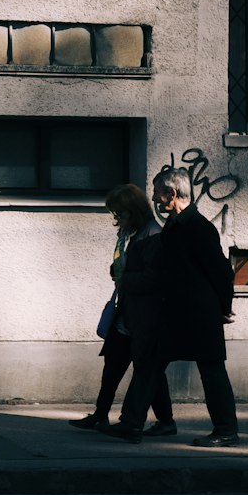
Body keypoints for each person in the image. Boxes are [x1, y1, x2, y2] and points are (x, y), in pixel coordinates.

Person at [117, 165, 239, 447]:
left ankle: (226, 430)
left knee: (211, 370)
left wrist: (224, 307)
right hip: (177, 311)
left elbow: (221, 271)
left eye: (158, 193)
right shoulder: (175, 225)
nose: (155, 198)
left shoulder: (197, 228)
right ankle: (131, 423)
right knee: (151, 362)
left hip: (199, 313)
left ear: (171, 193)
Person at [69, 183, 174, 436]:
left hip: (142, 316)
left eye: (120, 213)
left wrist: (123, 278)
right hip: (127, 312)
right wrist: (116, 270)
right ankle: (101, 414)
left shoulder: (152, 235)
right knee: (117, 364)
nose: (117, 219)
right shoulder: (132, 233)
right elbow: (128, 266)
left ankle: (161, 421)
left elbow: (153, 278)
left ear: (133, 210)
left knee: (147, 370)